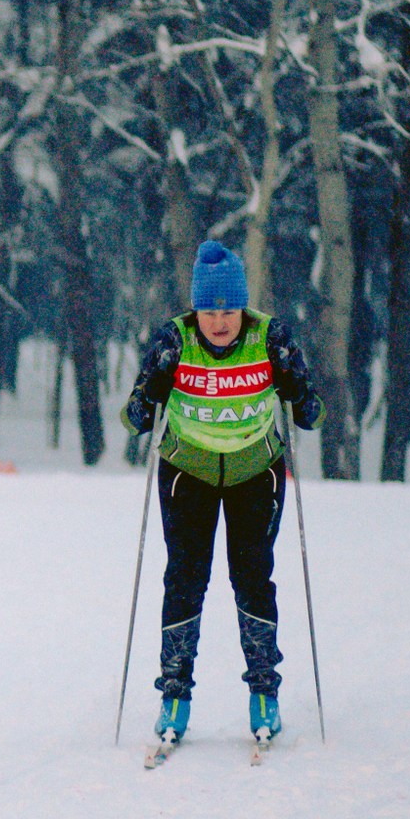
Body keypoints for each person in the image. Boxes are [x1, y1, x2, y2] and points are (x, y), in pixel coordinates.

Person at [121, 240, 323, 748]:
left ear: (242, 308)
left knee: (252, 577)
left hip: (256, 469)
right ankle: (174, 694)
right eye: (210, 310)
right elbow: (133, 419)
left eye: (229, 309)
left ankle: (264, 693)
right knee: (185, 579)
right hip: (187, 471)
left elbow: (312, 413)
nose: (219, 322)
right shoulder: (176, 337)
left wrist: (297, 385)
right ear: (196, 309)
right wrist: (154, 383)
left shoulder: (268, 336)